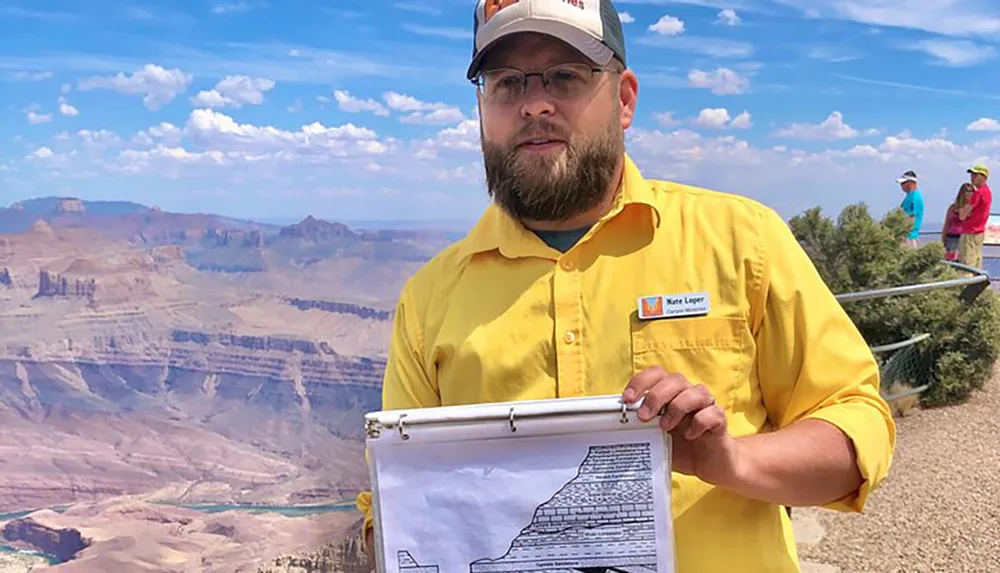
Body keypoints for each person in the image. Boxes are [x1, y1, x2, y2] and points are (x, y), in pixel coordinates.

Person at [354, 1, 896, 571]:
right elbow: (398, 501)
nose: (534, 103)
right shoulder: (429, 299)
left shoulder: (743, 242)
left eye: (566, 76)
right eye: (506, 82)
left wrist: (729, 459)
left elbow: (856, 429)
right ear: (482, 107)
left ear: (625, 98)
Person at [958, 164, 992, 270]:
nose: (972, 177)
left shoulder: (978, 193)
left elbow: (962, 215)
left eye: (975, 175)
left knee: (967, 262)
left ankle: (966, 284)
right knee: (977, 261)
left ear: (983, 177)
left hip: (970, 232)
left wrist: (961, 211)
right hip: (979, 231)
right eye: (972, 174)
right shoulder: (987, 192)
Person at [942, 183, 974, 261]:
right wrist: (943, 239)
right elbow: (947, 224)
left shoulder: (972, 208)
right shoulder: (952, 208)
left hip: (964, 238)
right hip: (951, 238)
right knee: (951, 261)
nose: (969, 193)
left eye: (971, 191)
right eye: (967, 191)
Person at [896, 170, 924, 247]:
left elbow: (911, 218)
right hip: (905, 236)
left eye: (903, 183)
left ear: (910, 183)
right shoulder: (910, 196)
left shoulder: (914, 198)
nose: (901, 185)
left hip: (909, 237)